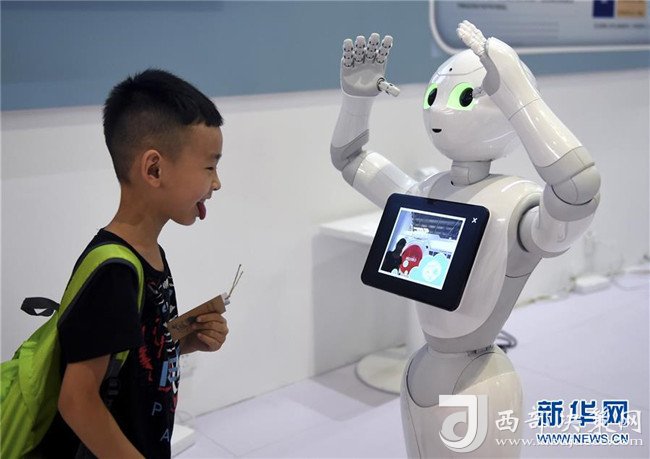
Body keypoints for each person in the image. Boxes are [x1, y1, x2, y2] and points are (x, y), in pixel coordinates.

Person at [34, 69, 229, 458]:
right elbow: (77, 400)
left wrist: (184, 341)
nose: (217, 183)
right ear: (154, 169)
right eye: (209, 167)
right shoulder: (114, 272)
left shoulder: (148, 254)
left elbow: (132, 358)